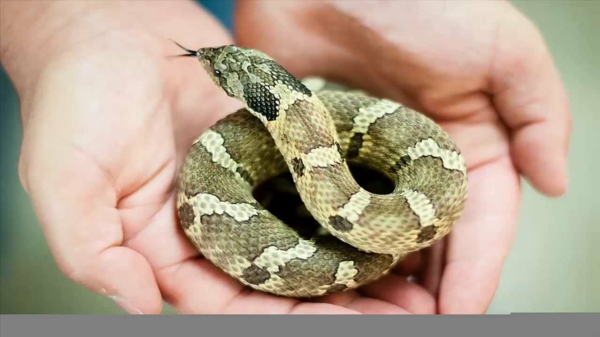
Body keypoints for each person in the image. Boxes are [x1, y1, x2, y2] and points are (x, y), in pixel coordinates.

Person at [0, 1, 570, 314]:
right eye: (224, 69)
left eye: (226, 68)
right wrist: (51, 17)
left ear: (271, 82)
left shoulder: (297, 117)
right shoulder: (278, 110)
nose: (216, 64)